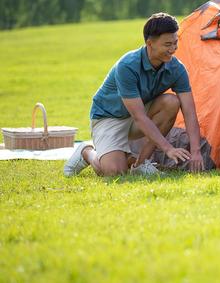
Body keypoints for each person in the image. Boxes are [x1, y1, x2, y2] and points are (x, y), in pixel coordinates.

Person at [64, 13, 204, 177]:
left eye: (175, 43)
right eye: (167, 44)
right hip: (109, 117)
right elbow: (140, 117)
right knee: (115, 173)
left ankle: (139, 164)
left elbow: (189, 111)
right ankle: (87, 152)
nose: (173, 49)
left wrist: (196, 151)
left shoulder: (177, 68)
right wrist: (168, 148)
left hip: (138, 116)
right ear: (149, 43)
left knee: (172, 102)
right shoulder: (127, 65)